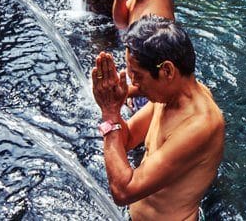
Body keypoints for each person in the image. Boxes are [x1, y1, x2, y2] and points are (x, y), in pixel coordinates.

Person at [91, 16, 225, 219]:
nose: (132, 83)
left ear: (167, 71)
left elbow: (123, 191)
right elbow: (126, 140)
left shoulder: (200, 125)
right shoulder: (168, 97)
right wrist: (116, 107)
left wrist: (109, 113)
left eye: (137, 75)